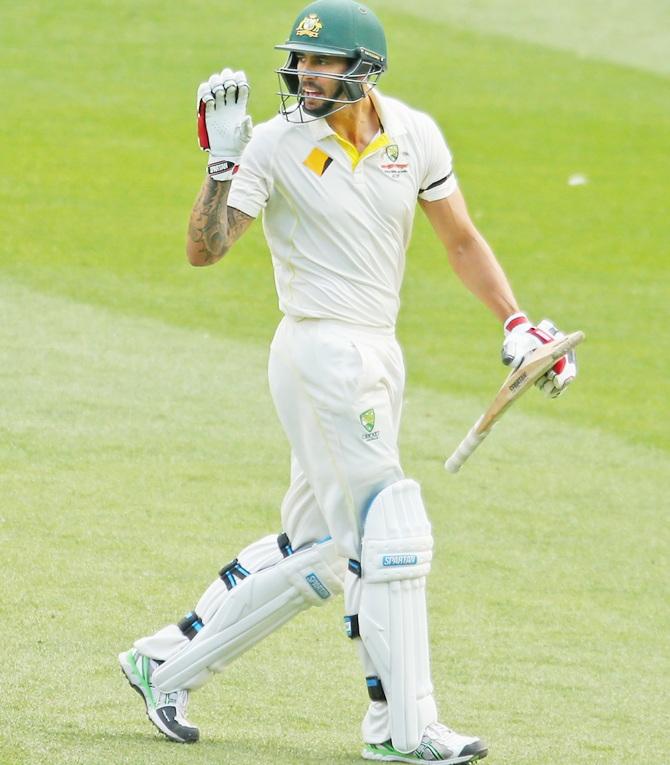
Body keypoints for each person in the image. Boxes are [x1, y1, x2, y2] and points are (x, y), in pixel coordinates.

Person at [118, 0, 577, 761]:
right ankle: (402, 728)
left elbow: (460, 238)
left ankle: (162, 663)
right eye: (299, 61)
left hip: (378, 352)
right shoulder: (271, 144)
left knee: (322, 547)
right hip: (317, 352)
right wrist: (221, 166)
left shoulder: (414, 134)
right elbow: (206, 249)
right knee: (388, 528)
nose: (303, 73)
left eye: (322, 61)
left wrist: (515, 320)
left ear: (364, 69)